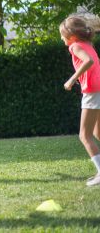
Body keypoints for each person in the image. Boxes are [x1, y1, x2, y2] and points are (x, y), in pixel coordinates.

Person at [61, 15, 100, 186]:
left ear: (72, 36)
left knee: (84, 135)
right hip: (98, 89)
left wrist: (72, 79)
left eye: (62, 35)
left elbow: (89, 61)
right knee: (97, 133)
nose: (62, 39)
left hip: (92, 92)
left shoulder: (75, 46)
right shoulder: (88, 45)